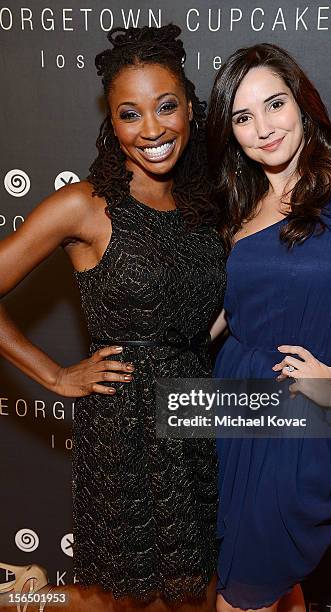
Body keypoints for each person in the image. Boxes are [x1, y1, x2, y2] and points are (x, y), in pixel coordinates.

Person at [0, 25, 226, 611]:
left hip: (194, 418)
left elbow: (202, 315)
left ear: (190, 108)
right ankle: (26, 599)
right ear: (112, 121)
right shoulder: (86, 205)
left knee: (199, 592)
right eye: (131, 114)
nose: (151, 130)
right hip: (125, 430)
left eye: (166, 107)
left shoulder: (203, 203)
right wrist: (53, 376)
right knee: (126, 600)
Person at [206, 43, 331, 612]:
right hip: (230, 414)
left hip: (298, 425)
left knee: (242, 596)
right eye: (243, 117)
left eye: (275, 105)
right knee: (272, 586)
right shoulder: (242, 208)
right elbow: (230, 313)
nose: (264, 128)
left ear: (303, 104)